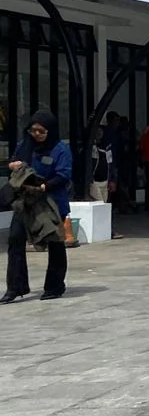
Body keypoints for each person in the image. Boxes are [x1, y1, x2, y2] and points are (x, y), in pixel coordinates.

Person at [4, 110, 72, 302]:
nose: (37, 134)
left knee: (55, 242)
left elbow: (64, 174)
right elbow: (13, 162)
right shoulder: (24, 145)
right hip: (26, 201)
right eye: (33, 130)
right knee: (15, 239)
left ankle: (54, 286)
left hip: (51, 202)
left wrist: (44, 186)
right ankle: (15, 287)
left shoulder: (60, 149)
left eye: (42, 131)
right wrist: (12, 166)